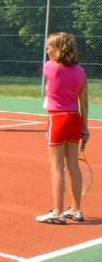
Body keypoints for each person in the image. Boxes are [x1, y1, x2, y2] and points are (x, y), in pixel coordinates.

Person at [35, 32, 89, 225]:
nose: (47, 50)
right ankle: (76, 209)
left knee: (57, 167)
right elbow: (84, 104)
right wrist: (86, 129)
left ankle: (57, 212)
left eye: (50, 47)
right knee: (73, 165)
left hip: (57, 119)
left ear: (59, 49)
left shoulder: (50, 67)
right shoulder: (81, 72)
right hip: (75, 119)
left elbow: (52, 76)